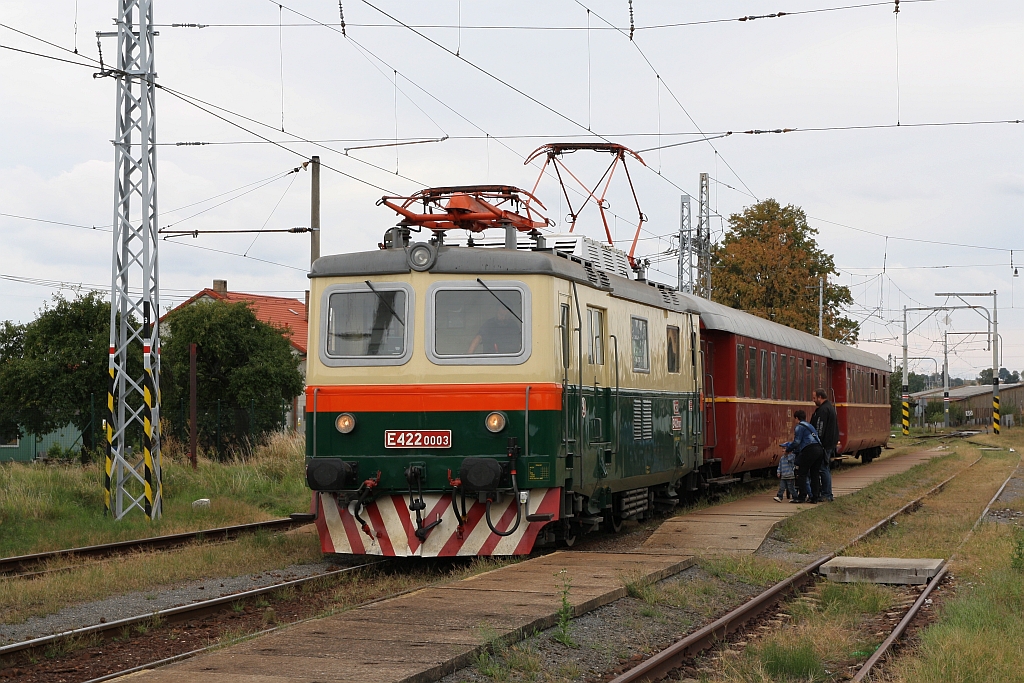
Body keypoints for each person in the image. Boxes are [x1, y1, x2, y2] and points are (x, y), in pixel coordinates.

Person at [783, 409, 824, 503]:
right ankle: (815, 497)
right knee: (815, 474)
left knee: (802, 473)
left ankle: (801, 496)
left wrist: (788, 449)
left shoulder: (799, 427)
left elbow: (797, 442)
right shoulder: (810, 426)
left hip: (810, 450)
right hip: (819, 449)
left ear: (797, 418)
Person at [811, 388, 839, 502]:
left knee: (823, 468)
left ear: (820, 397)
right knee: (824, 468)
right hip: (829, 443)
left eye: (814, 398)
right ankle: (826, 493)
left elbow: (820, 428)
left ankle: (827, 494)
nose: (813, 400)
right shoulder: (830, 408)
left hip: (824, 444)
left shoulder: (823, 410)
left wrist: (817, 441)